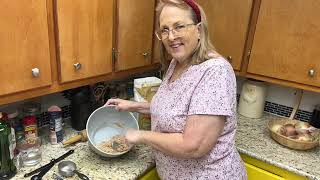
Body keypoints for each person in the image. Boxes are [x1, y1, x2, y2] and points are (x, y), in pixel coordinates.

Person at [105, 0, 247, 179]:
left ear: (199, 29)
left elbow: (193, 145)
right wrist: (132, 106)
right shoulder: (177, 62)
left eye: (179, 26)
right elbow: (174, 109)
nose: (171, 37)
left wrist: (140, 135)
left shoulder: (214, 71)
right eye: (164, 30)